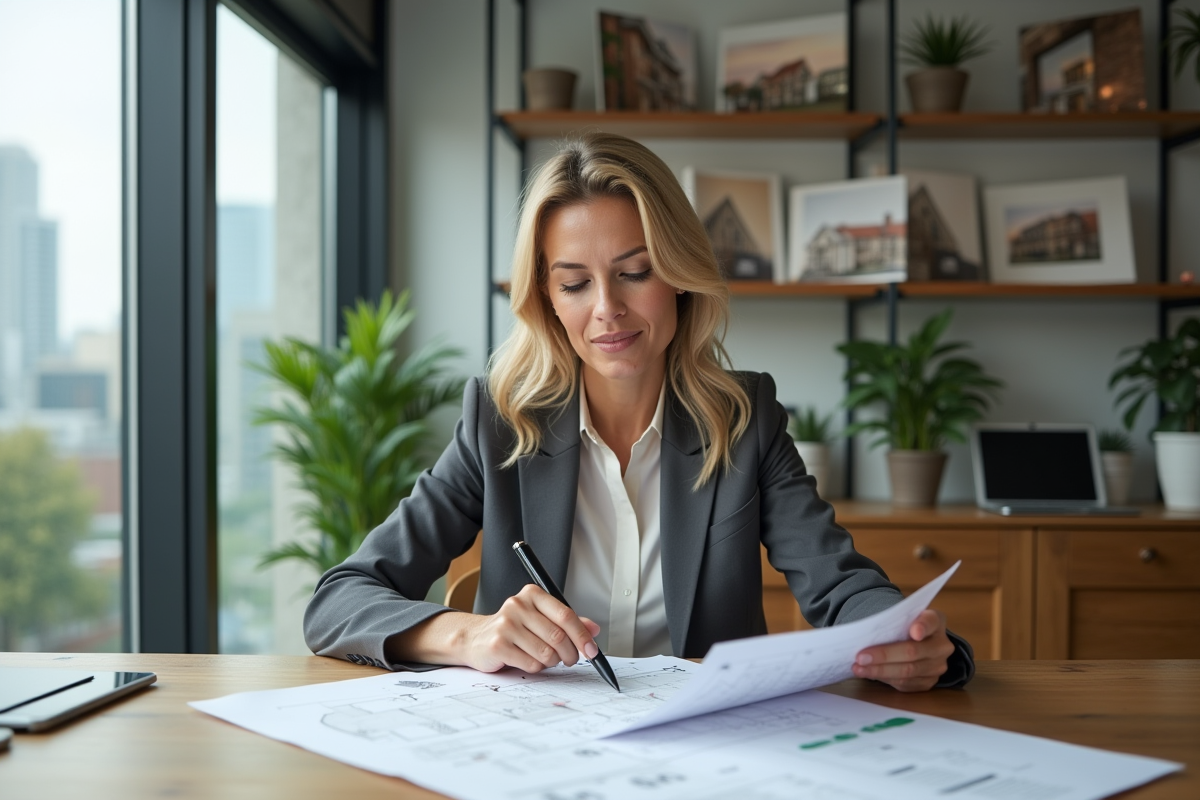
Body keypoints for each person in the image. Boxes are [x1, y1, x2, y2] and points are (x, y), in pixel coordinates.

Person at [304, 132, 973, 692]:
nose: (606, 310)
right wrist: (469, 634)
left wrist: (906, 637)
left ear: (680, 274)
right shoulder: (498, 422)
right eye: (574, 283)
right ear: (547, 299)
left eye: (635, 271)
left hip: (706, 753)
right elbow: (339, 599)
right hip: (530, 748)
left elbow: (841, 584)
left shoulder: (745, 421)